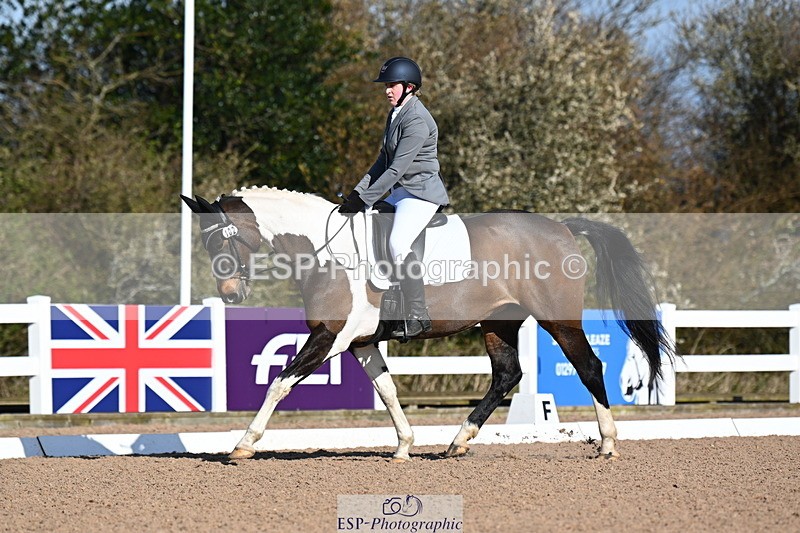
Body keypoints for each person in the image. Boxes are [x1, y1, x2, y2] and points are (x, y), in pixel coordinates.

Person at [339, 56, 449, 337]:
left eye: (392, 85)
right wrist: (357, 192)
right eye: (386, 85)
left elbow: (397, 169)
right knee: (367, 226)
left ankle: (416, 313)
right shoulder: (396, 113)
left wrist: (364, 200)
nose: (387, 90)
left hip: (421, 194)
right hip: (402, 192)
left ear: (409, 87)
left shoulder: (417, 119)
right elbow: (382, 162)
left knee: (398, 242)